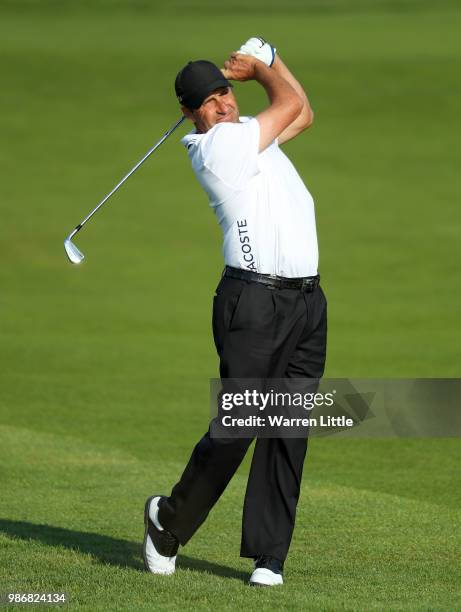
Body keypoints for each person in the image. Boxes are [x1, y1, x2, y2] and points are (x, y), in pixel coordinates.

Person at [143, 38, 327, 587]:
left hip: (306, 303)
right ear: (189, 115)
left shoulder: (252, 137)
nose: (222, 103)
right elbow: (289, 103)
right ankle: (165, 523)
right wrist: (264, 66)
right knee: (239, 424)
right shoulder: (218, 148)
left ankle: (270, 557)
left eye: (224, 91)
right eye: (208, 100)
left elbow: (304, 111)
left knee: (289, 426)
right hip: (253, 301)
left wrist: (273, 60)